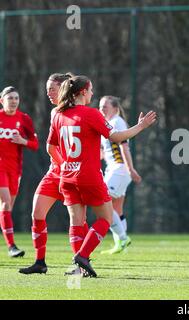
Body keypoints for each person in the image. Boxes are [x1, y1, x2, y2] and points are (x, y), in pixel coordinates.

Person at [46, 75, 157, 277]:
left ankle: (79, 269)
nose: (92, 94)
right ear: (82, 92)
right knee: (105, 218)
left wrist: (65, 166)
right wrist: (141, 126)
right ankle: (82, 257)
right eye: (90, 90)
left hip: (67, 177)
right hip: (88, 176)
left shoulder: (59, 115)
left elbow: (50, 148)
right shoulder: (91, 114)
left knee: (76, 222)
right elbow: (117, 137)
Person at [18, 73, 90, 275]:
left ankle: (81, 265)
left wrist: (71, 167)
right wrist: (61, 165)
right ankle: (40, 262)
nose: (48, 92)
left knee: (78, 221)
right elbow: (52, 146)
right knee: (37, 213)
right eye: (47, 89)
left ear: (64, 88)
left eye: (52, 88)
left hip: (72, 174)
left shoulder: (80, 112)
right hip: (55, 172)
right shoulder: (55, 112)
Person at [98, 96, 141, 254]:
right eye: (100, 106)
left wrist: (130, 169)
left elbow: (124, 147)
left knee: (103, 202)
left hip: (120, 170)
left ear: (115, 108)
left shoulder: (117, 122)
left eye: (105, 106)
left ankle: (123, 238)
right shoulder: (108, 124)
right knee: (117, 208)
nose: (102, 109)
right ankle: (120, 244)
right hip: (115, 169)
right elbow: (106, 152)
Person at [0, 86, 39, 257]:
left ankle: (9, 244)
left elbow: (35, 144)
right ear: (2, 101)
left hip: (15, 169)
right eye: (10, 98)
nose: (14, 101)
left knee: (7, 209)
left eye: (16, 98)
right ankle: (11, 247)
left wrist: (23, 141)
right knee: (6, 203)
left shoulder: (24, 119)